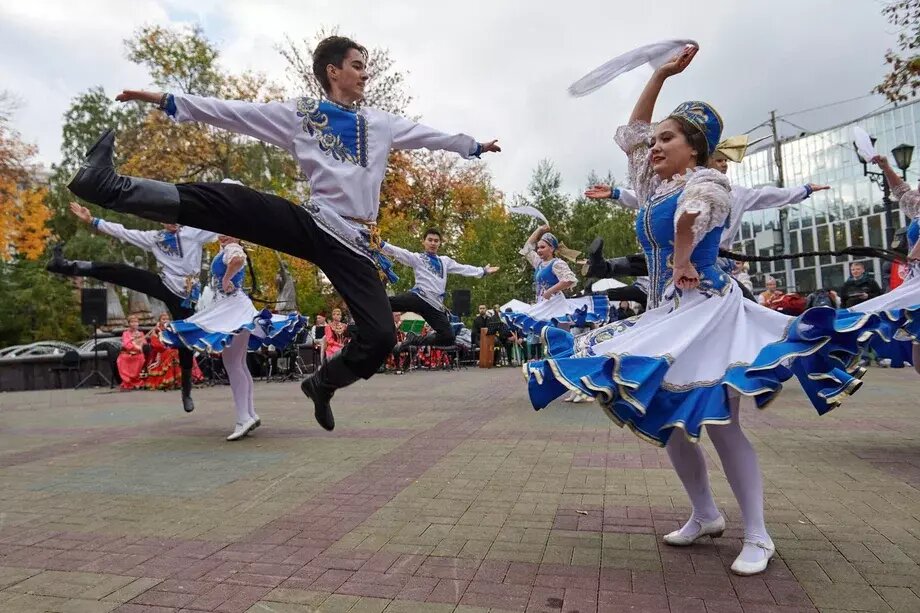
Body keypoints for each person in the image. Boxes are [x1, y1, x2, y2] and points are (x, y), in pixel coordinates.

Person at [524, 46, 875, 576]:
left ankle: (757, 534)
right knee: (668, 418)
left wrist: (684, 257)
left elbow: (693, 216)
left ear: (695, 149)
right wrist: (659, 75)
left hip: (709, 312)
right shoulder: (653, 186)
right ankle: (706, 514)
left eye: (667, 139)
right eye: (656, 140)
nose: (654, 145)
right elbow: (635, 131)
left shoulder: (708, 182)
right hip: (668, 313)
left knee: (722, 423)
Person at [66, 35, 500, 431]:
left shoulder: (381, 123)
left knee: (382, 336)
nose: (365, 74)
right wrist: (168, 100)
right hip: (315, 223)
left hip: (355, 244)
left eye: (365, 66)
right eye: (357, 65)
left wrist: (472, 146)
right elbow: (236, 113)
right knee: (233, 203)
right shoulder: (301, 114)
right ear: (333, 71)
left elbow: (429, 136)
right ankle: (109, 186)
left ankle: (322, 384)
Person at [583, 138, 829, 303]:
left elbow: (771, 196)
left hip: (712, 263)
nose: (724, 165)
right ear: (704, 158)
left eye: (726, 161)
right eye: (719, 159)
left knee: (747, 310)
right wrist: (616, 193)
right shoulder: (681, 185)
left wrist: (804, 189)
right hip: (679, 261)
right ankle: (605, 269)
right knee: (655, 260)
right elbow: (649, 200)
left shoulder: (738, 193)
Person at [48, 202, 215, 411]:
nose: (171, 222)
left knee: (185, 341)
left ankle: (186, 391)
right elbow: (123, 232)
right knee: (121, 271)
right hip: (165, 284)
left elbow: (221, 225)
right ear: (160, 221)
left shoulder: (194, 233)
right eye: (166, 219)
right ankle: (66, 265)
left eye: (174, 218)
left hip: (186, 295)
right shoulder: (155, 238)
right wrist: (92, 220)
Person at [161, 236, 305, 440]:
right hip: (233, 307)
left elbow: (237, 260)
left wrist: (226, 278)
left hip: (233, 309)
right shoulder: (227, 248)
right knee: (238, 364)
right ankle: (249, 414)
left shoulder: (232, 247)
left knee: (233, 364)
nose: (223, 235)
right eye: (221, 232)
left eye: (227, 232)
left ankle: (243, 417)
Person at [383, 228, 498, 351]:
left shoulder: (445, 261)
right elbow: (399, 252)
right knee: (384, 303)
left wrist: (482, 271)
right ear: (424, 242)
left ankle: (414, 340)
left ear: (439, 243)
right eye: (430, 240)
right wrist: (381, 244)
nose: (433, 243)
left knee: (448, 337)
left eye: (436, 241)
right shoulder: (418, 258)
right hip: (419, 297)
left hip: (434, 305)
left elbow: (463, 268)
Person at [144, 312, 204, 390]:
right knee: (173, 353)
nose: (165, 321)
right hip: (162, 351)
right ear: (159, 321)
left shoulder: (172, 329)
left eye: (167, 319)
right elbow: (156, 344)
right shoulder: (156, 331)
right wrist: (166, 347)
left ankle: (185, 379)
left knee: (184, 352)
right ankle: (173, 381)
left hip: (173, 349)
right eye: (163, 319)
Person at [117, 315, 147, 390]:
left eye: (136, 322)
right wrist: (134, 343)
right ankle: (128, 381)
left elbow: (144, 344)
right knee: (123, 358)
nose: (134, 324)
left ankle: (137, 381)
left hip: (138, 354)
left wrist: (139, 343)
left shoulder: (141, 333)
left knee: (141, 358)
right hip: (127, 353)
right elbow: (126, 345)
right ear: (129, 323)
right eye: (132, 322)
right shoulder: (125, 333)